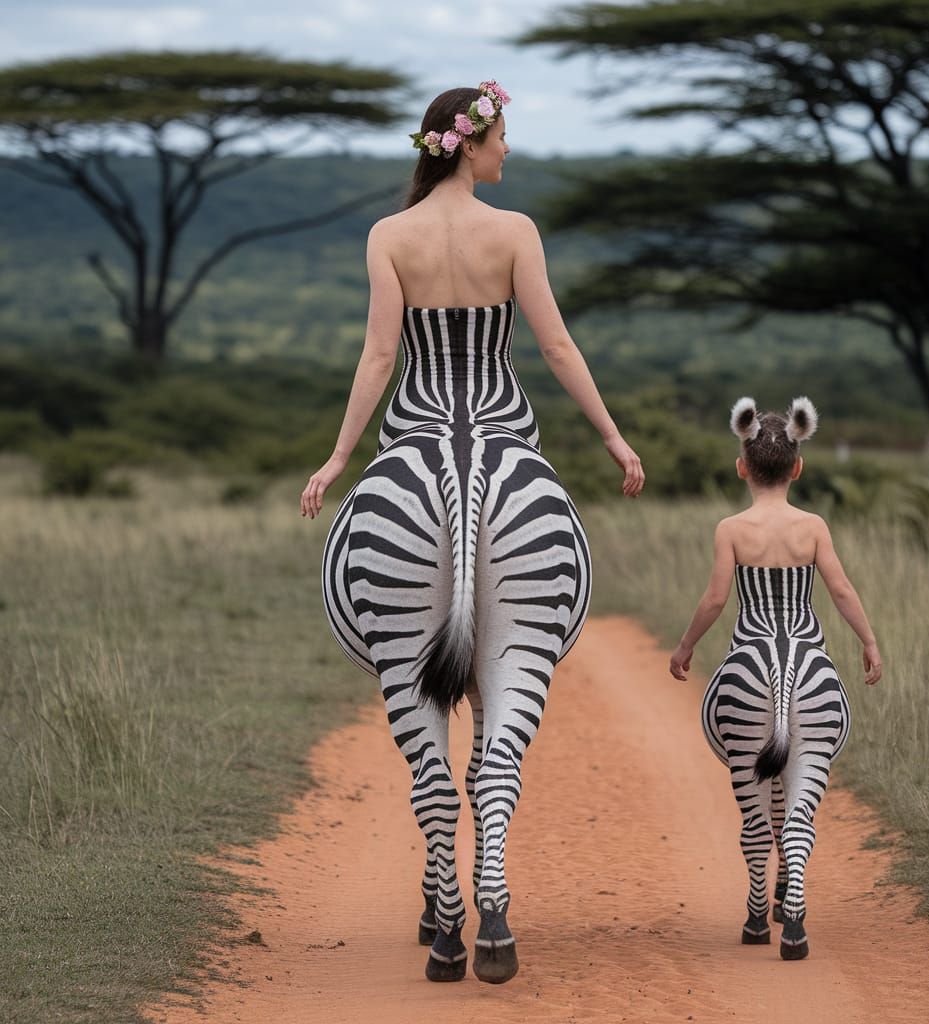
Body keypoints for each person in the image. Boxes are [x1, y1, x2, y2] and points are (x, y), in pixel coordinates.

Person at [301, 82, 644, 986]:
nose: (507, 155)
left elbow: (380, 356)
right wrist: (611, 437)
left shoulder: (388, 237)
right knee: (511, 692)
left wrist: (340, 460)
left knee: (417, 716)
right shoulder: (517, 232)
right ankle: (490, 878)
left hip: (413, 439)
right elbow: (560, 348)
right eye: (499, 140)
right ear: (468, 144)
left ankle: (446, 907)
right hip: (504, 438)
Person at [669, 396, 880, 961]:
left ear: (742, 466)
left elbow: (716, 598)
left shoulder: (730, 528)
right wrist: (869, 641)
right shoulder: (813, 526)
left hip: (748, 661)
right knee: (802, 803)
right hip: (808, 663)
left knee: (755, 806)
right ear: (798, 466)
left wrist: (687, 645)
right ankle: (796, 913)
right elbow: (839, 590)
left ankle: (758, 909)